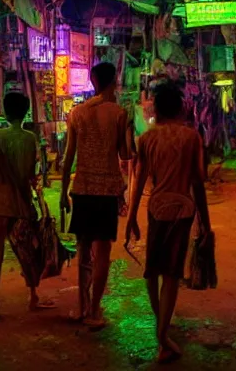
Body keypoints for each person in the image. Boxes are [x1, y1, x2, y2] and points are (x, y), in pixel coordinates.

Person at [125, 83, 209, 363]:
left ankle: (161, 325)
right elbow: (198, 183)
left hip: (157, 207)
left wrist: (131, 216)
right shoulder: (191, 137)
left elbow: (139, 179)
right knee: (171, 273)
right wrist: (205, 223)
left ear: (157, 109)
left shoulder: (147, 139)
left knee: (153, 269)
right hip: (183, 208)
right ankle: (162, 335)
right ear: (181, 108)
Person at [59, 62, 137, 329]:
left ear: (93, 81)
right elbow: (125, 155)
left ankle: (81, 307)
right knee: (102, 251)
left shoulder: (77, 113)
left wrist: (61, 192)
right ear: (113, 81)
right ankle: (94, 311)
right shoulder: (119, 113)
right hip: (106, 191)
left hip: (81, 188)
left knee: (83, 251)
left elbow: (68, 156)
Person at [0, 92, 54, 321]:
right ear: (26, 110)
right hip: (23, 202)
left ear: (5, 109)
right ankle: (33, 296)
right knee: (28, 252)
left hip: (0, 203)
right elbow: (31, 173)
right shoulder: (30, 138)